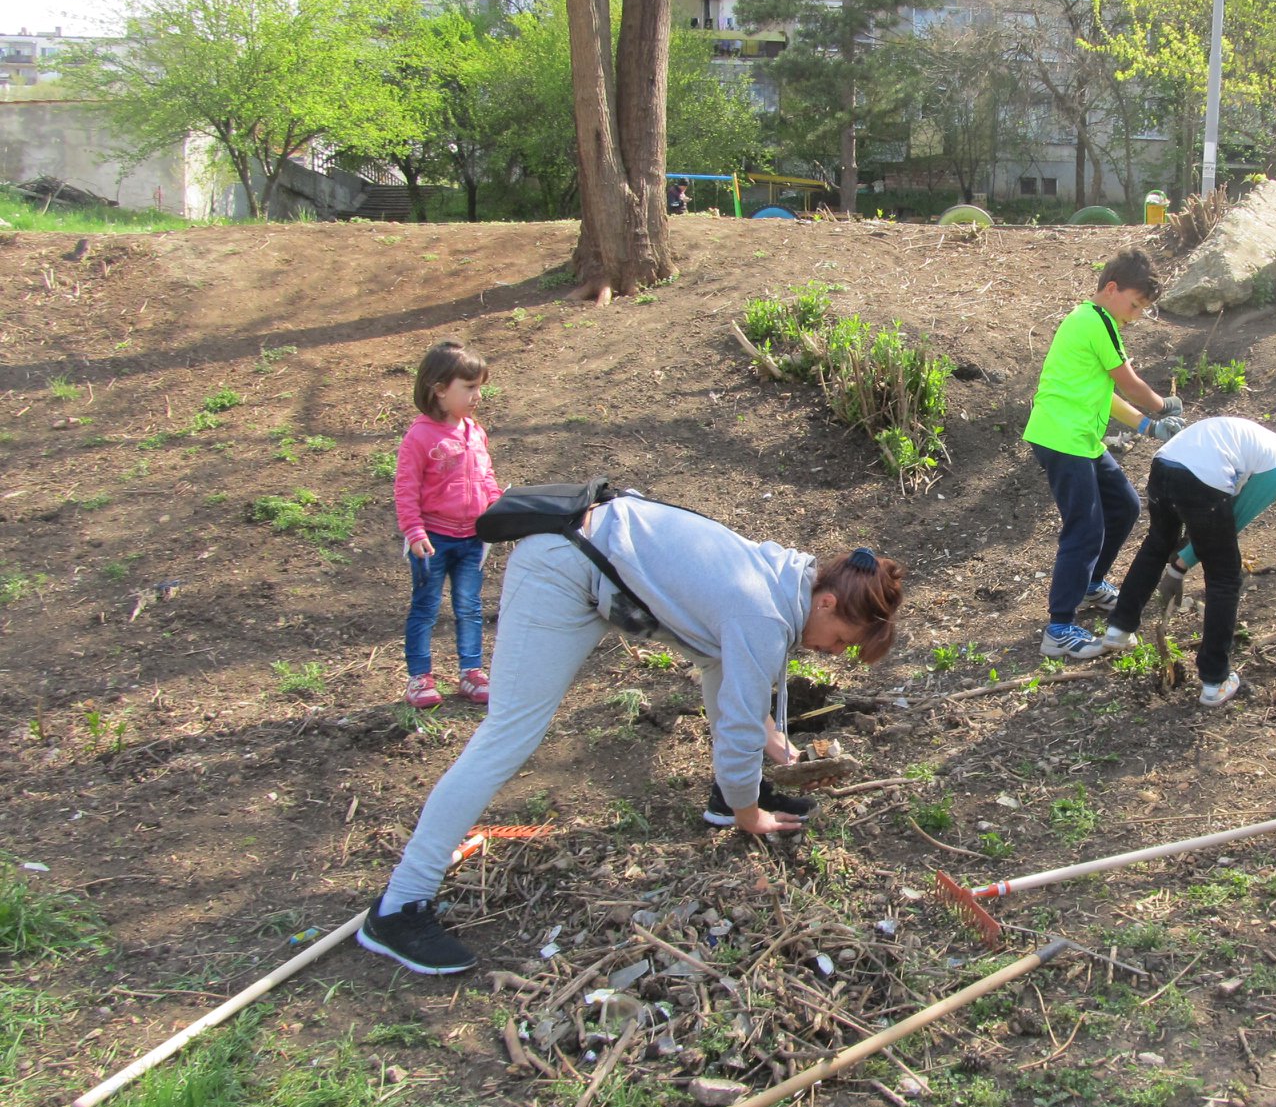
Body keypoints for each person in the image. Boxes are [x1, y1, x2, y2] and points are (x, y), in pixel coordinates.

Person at [358, 500, 904, 974]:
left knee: (725, 697)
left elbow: (726, 668)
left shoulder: (784, 577)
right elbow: (738, 715)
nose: (834, 653)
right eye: (840, 641)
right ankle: (399, 907)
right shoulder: (763, 611)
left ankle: (727, 794)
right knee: (509, 735)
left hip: (591, 556)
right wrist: (749, 816)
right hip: (560, 567)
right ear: (827, 602)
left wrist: (768, 753)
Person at [1089, 419, 1276, 708]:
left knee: (1158, 542)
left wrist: (1179, 562)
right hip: (1200, 478)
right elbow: (1232, 521)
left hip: (1165, 464)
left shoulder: (1269, 447)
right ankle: (1215, 680)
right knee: (1225, 577)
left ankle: (1119, 628)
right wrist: (1181, 565)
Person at [1022, 248, 1185, 658]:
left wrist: (1148, 426)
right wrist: (1161, 405)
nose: (1135, 315)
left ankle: (1092, 585)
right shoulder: (1097, 321)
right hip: (1063, 438)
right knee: (1085, 528)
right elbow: (1129, 384)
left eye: (1142, 310)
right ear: (1111, 289)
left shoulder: (1090, 322)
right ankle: (1058, 628)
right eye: (1134, 304)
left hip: (1079, 440)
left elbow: (1107, 395)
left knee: (1124, 506)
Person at [395, 341, 505, 709]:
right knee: (425, 606)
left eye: (479, 387)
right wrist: (414, 531)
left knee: (469, 606)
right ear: (439, 389)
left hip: (472, 537)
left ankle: (471, 672)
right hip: (433, 539)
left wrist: (497, 508)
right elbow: (406, 490)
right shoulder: (420, 437)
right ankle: (419, 677)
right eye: (469, 387)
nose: (477, 395)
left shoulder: (475, 431)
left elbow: (487, 477)